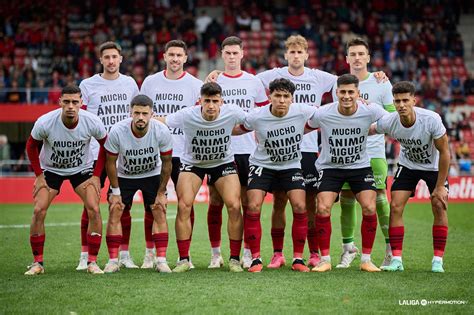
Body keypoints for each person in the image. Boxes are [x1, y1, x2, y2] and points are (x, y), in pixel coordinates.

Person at [162, 82, 246, 273]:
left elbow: (253, 121)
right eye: (206, 101)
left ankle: (234, 259)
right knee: (184, 205)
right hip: (193, 164)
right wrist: (139, 120)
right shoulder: (187, 114)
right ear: (200, 101)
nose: (210, 105)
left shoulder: (232, 112)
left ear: (221, 102)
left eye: (215, 101)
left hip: (223, 163)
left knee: (234, 205)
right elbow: (164, 121)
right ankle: (184, 259)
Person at [306, 74, 387, 272]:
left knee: (369, 207)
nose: (347, 96)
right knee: (323, 208)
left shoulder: (370, 110)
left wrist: (373, 130)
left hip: (359, 168)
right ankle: (325, 260)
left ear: (358, 94)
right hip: (330, 168)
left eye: (351, 92)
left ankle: (366, 260)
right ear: (336, 93)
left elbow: (391, 121)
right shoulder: (323, 113)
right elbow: (303, 127)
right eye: (343, 92)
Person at [235, 78, 316, 273]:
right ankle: (255, 258)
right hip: (262, 165)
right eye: (277, 96)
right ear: (270, 97)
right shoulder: (256, 116)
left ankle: (298, 258)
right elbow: (236, 129)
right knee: (253, 205)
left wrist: (361, 102)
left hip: (290, 166)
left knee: (299, 205)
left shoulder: (303, 111)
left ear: (292, 99)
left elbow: (330, 113)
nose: (281, 100)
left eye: (285, 96)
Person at [25, 85, 107, 275]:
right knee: (38, 210)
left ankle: (92, 262)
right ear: (60, 102)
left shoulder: (92, 121)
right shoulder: (45, 122)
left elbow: (106, 145)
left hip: (82, 169)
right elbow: (31, 146)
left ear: (81, 103)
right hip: (51, 170)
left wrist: (96, 176)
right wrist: (38, 175)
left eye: (75, 102)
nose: (71, 106)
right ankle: (38, 263)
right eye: (67, 102)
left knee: (94, 208)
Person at [206, 36, 269, 269]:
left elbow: (265, 117)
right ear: (221, 54)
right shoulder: (213, 80)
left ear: (243, 54)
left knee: (245, 203)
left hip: (248, 153)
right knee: (215, 201)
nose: (232, 57)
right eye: (227, 53)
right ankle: (215, 254)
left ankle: (246, 252)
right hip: (220, 151)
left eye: (235, 53)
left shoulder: (254, 82)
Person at [373, 81, 450, 273]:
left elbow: (445, 152)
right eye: (397, 101)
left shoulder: (431, 119)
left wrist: (440, 186)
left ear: (413, 100)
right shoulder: (390, 121)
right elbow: (368, 129)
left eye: (405, 100)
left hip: (433, 166)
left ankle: (437, 261)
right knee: (395, 205)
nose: (401, 105)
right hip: (408, 166)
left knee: (438, 205)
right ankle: (396, 260)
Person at [77, 41, 139, 271]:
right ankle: (85, 255)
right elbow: (80, 119)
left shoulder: (130, 83)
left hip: (123, 154)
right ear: (100, 60)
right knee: (89, 205)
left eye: (115, 57)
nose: (111, 61)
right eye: (107, 57)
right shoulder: (87, 85)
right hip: (94, 153)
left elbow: (136, 116)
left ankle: (124, 254)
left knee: (123, 205)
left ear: (120, 59)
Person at [140, 39, 203, 269]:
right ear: (164, 56)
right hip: (155, 152)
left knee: (186, 204)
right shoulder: (150, 82)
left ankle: (183, 255)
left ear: (186, 58)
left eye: (179, 55)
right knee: (152, 203)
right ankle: (150, 253)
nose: (175, 59)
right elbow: (142, 113)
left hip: (185, 152)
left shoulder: (196, 85)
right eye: (171, 55)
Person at [335, 37, 396, 269]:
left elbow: (392, 117)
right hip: (347, 153)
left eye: (362, 54)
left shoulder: (381, 83)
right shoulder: (339, 84)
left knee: (380, 199)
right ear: (347, 58)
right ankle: (348, 249)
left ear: (368, 57)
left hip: (374, 152)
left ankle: (391, 250)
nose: (357, 58)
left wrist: (373, 125)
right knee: (347, 199)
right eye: (353, 54)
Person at [103, 95, 173, 273]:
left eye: (144, 113)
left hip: (152, 174)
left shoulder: (161, 130)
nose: (140, 117)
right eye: (136, 113)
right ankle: (113, 260)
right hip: (125, 175)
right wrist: (116, 191)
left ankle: (161, 260)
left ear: (152, 114)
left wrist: (161, 192)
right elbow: (110, 162)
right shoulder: (117, 131)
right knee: (115, 209)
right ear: (130, 113)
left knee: (159, 209)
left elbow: (167, 163)